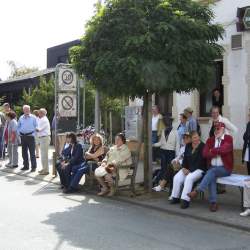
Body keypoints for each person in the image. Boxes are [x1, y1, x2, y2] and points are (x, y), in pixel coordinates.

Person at [188, 122, 234, 212]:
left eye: (218, 129)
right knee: (211, 174)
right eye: (215, 129)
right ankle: (213, 203)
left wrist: (212, 150)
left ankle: (197, 190)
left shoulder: (228, 138)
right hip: (212, 168)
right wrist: (216, 153)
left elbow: (225, 149)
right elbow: (205, 154)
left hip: (225, 168)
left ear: (223, 129)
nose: (216, 131)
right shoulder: (210, 140)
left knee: (211, 172)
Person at [170, 132, 207, 209]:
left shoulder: (203, 146)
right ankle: (175, 197)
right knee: (177, 177)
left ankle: (185, 200)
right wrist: (183, 168)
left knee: (189, 178)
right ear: (191, 139)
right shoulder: (188, 146)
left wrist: (190, 170)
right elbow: (185, 159)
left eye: (197, 137)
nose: (196, 139)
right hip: (188, 168)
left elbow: (201, 162)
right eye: (194, 138)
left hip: (199, 169)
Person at [152, 118, 179, 191]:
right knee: (163, 168)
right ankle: (162, 185)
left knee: (169, 168)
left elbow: (177, 145)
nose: (167, 123)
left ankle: (167, 184)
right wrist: (153, 144)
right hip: (163, 151)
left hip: (171, 152)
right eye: (166, 122)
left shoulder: (176, 132)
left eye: (168, 121)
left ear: (171, 122)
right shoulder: (163, 131)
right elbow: (161, 142)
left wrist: (177, 156)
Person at [17, 105, 38, 172]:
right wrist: (19, 133)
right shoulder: (21, 117)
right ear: (23, 110)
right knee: (24, 152)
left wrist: (33, 134)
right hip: (23, 136)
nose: (26, 111)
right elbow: (18, 126)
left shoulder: (33, 117)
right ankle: (26, 166)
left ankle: (33, 167)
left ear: (29, 110)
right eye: (25, 110)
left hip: (30, 136)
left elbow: (37, 126)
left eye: (27, 109)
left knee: (32, 153)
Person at [37, 108, 51, 175]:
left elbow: (38, 129)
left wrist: (32, 127)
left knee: (44, 155)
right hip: (43, 138)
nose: (38, 114)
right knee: (43, 155)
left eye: (39, 112)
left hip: (44, 138)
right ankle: (44, 168)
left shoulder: (44, 120)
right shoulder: (42, 119)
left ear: (42, 113)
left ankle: (45, 170)